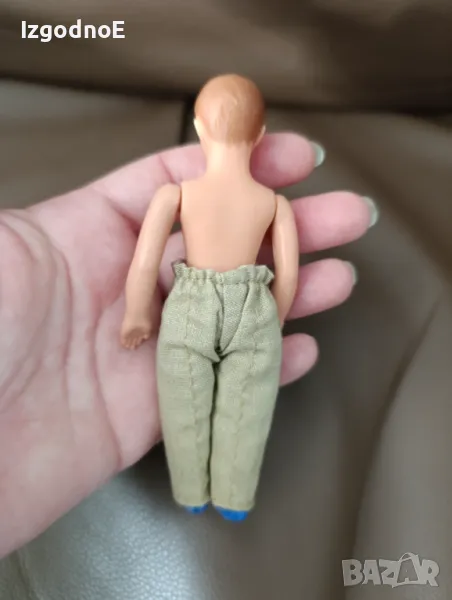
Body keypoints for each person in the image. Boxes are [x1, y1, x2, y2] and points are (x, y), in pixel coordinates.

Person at [0, 132, 378, 557]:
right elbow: (287, 275)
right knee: (247, 408)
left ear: (200, 128)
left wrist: (137, 313)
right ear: (257, 135)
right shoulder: (274, 203)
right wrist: (272, 318)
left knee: (184, 403)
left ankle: (191, 490)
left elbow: (145, 262)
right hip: (253, 304)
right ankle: (234, 497)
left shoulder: (176, 194)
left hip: (191, 306)